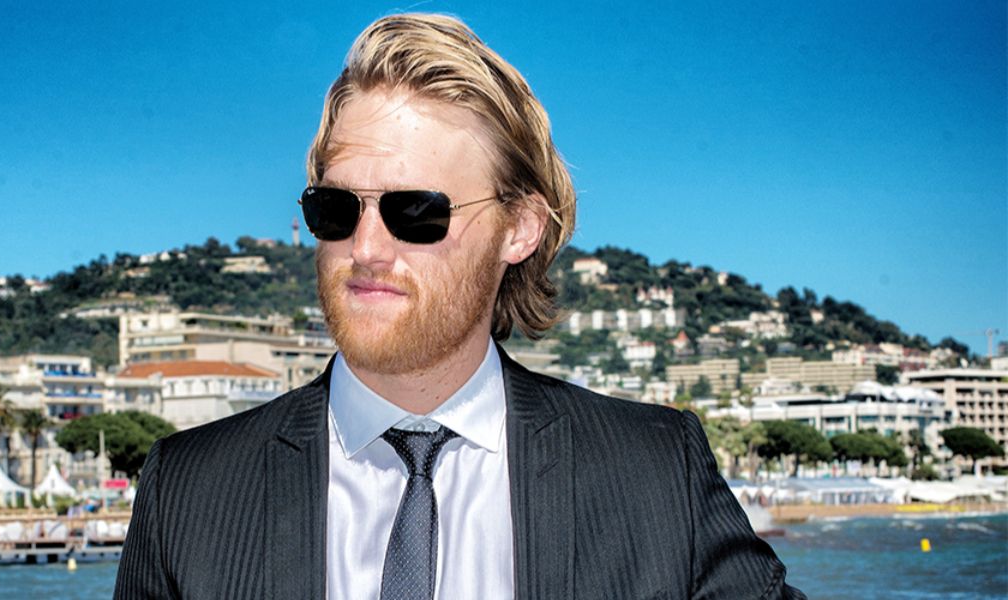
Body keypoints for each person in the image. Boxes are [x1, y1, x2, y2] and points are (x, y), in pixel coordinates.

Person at [116, 13, 804, 600]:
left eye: (416, 212)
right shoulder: (187, 491)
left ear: (519, 228)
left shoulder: (657, 473)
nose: (366, 249)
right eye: (337, 209)